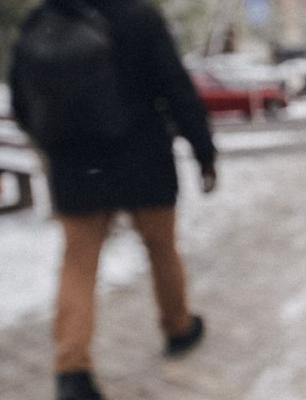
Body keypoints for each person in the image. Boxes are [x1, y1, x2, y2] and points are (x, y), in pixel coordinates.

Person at [9, 0, 216, 399]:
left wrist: (54, 145)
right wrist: (203, 149)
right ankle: (178, 327)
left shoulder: (43, 19)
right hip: (144, 160)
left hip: (74, 168)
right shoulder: (139, 15)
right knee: (162, 249)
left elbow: (22, 100)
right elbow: (175, 86)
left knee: (78, 266)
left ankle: (72, 370)